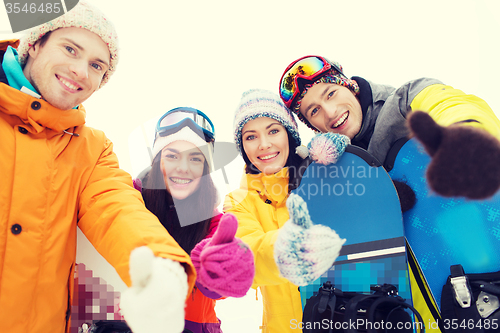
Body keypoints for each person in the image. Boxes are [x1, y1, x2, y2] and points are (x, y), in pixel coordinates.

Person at [0, 2, 195, 333]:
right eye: (70, 49)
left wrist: (163, 267)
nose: (80, 71)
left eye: (96, 65)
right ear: (33, 43)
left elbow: (116, 209)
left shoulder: (91, 148)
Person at [278, 55, 500, 200]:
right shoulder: (329, 167)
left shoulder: (406, 101)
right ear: (312, 125)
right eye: (314, 111)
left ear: (350, 86)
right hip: (415, 270)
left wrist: (466, 135)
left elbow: (448, 104)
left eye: (331, 94)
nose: (330, 112)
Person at [223, 89, 345, 333]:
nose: (264, 144)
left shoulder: (320, 179)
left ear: (289, 135)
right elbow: (246, 258)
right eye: (250, 137)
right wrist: (288, 247)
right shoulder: (238, 202)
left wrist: (345, 164)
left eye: (273, 131)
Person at [133, 107, 255, 332]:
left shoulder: (214, 223)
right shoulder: (132, 201)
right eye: (172, 156)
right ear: (157, 160)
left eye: (195, 158)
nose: (183, 168)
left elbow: (214, 290)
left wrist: (221, 269)